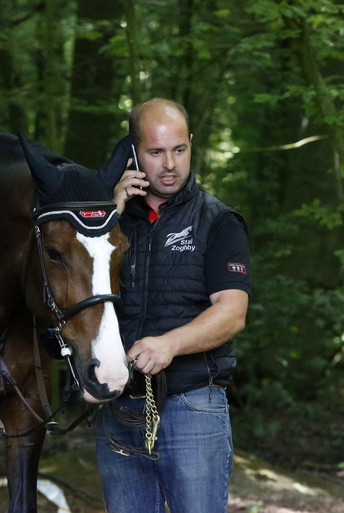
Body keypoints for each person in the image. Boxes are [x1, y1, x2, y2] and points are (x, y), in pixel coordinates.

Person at [94, 98, 251, 513]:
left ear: (191, 146)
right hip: (118, 406)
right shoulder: (109, 220)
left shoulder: (218, 221)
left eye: (179, 150)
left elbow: (232, 312)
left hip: (192, 406)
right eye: (156, 152)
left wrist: (169, 345)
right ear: (132, 151)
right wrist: (107, 217)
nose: (169, 165)